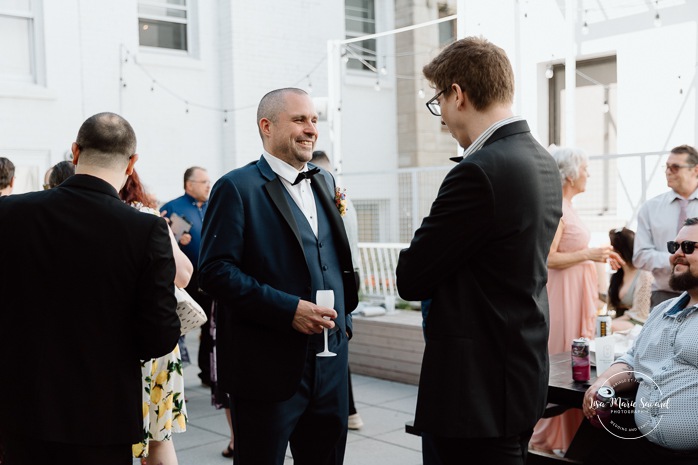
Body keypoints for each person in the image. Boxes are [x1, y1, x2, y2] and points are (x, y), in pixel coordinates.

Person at [395, 37, 563, 465]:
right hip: (518, 375)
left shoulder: (480, 170)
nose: (443, 118)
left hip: (475, 393)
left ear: (457, 94)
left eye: (439, 102)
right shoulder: (541, 160)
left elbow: (411, 277)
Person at [0, 112, 180, 465]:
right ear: (132, 163)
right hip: (101, 415)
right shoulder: (145, 230)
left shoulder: (10, 212)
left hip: (21, 408)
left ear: (75, 152)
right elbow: (159, 337)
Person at [199, 87, 359, 465]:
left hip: (331, 360)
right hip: (266, 368)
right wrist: (289, 310)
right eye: (299, 120)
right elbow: (215, 272)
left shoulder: (326, 182)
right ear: (266, 126)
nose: (310, 130)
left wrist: (345, 322)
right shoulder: (235, 187)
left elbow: (336, 257)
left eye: (314, 120)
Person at [529, 146, 623, 454]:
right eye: (585, 168)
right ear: (570, 174)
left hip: (577, 291)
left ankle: (569, 437)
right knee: (566, 361)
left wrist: (598, 257)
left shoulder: (569, 205)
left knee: (578, 362)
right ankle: (545, 438)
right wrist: (591, 254)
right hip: (562, 295)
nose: (589, 174)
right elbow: (547, 258)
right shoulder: (556, 207)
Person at [582, 217, 698, 464]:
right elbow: (633, 359)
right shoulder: (661, 311)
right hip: (636, 446)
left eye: (688, 247)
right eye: (673, 247)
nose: (677, 254)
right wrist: (604, 383)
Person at [120, 170, 192, 465]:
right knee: (159, 438)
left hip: (117, 342)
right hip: (157, 337)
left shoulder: (90, 215)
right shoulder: (148, 217)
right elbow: (184, 275)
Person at [311, 149, 364, 431]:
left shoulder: (328, 195)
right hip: (353, 274)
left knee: (333, 342)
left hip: (340, 276)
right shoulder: (344, 197)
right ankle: (349, 410)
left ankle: (348, 409)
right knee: (335, 340)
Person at [160, 166, 213, 386]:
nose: (209, 185)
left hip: (209, 277)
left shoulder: (213, 206)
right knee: (179, 328)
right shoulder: (172, 207)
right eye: (204, 182)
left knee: (210, 327)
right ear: (189, 184)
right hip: (183, 281)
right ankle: (176, 380)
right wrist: (175, 236)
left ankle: (208, 374)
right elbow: (160, 239)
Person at [634, 144, 698, 307]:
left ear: (695, 170)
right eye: (667, 167)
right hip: (663, 295)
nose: (668, 172)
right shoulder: (650, 208)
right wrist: (678, 259)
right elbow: (640, 256)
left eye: (675, 167)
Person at [607, 227, 653, 331]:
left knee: (606, 327)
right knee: (600, 325)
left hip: (637, 321)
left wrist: (610, 323)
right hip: (619, 320)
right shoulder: (616, 276)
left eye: (611, 249)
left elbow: (640, 313)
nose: (609, 253)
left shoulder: (644, 275)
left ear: (619, 252)